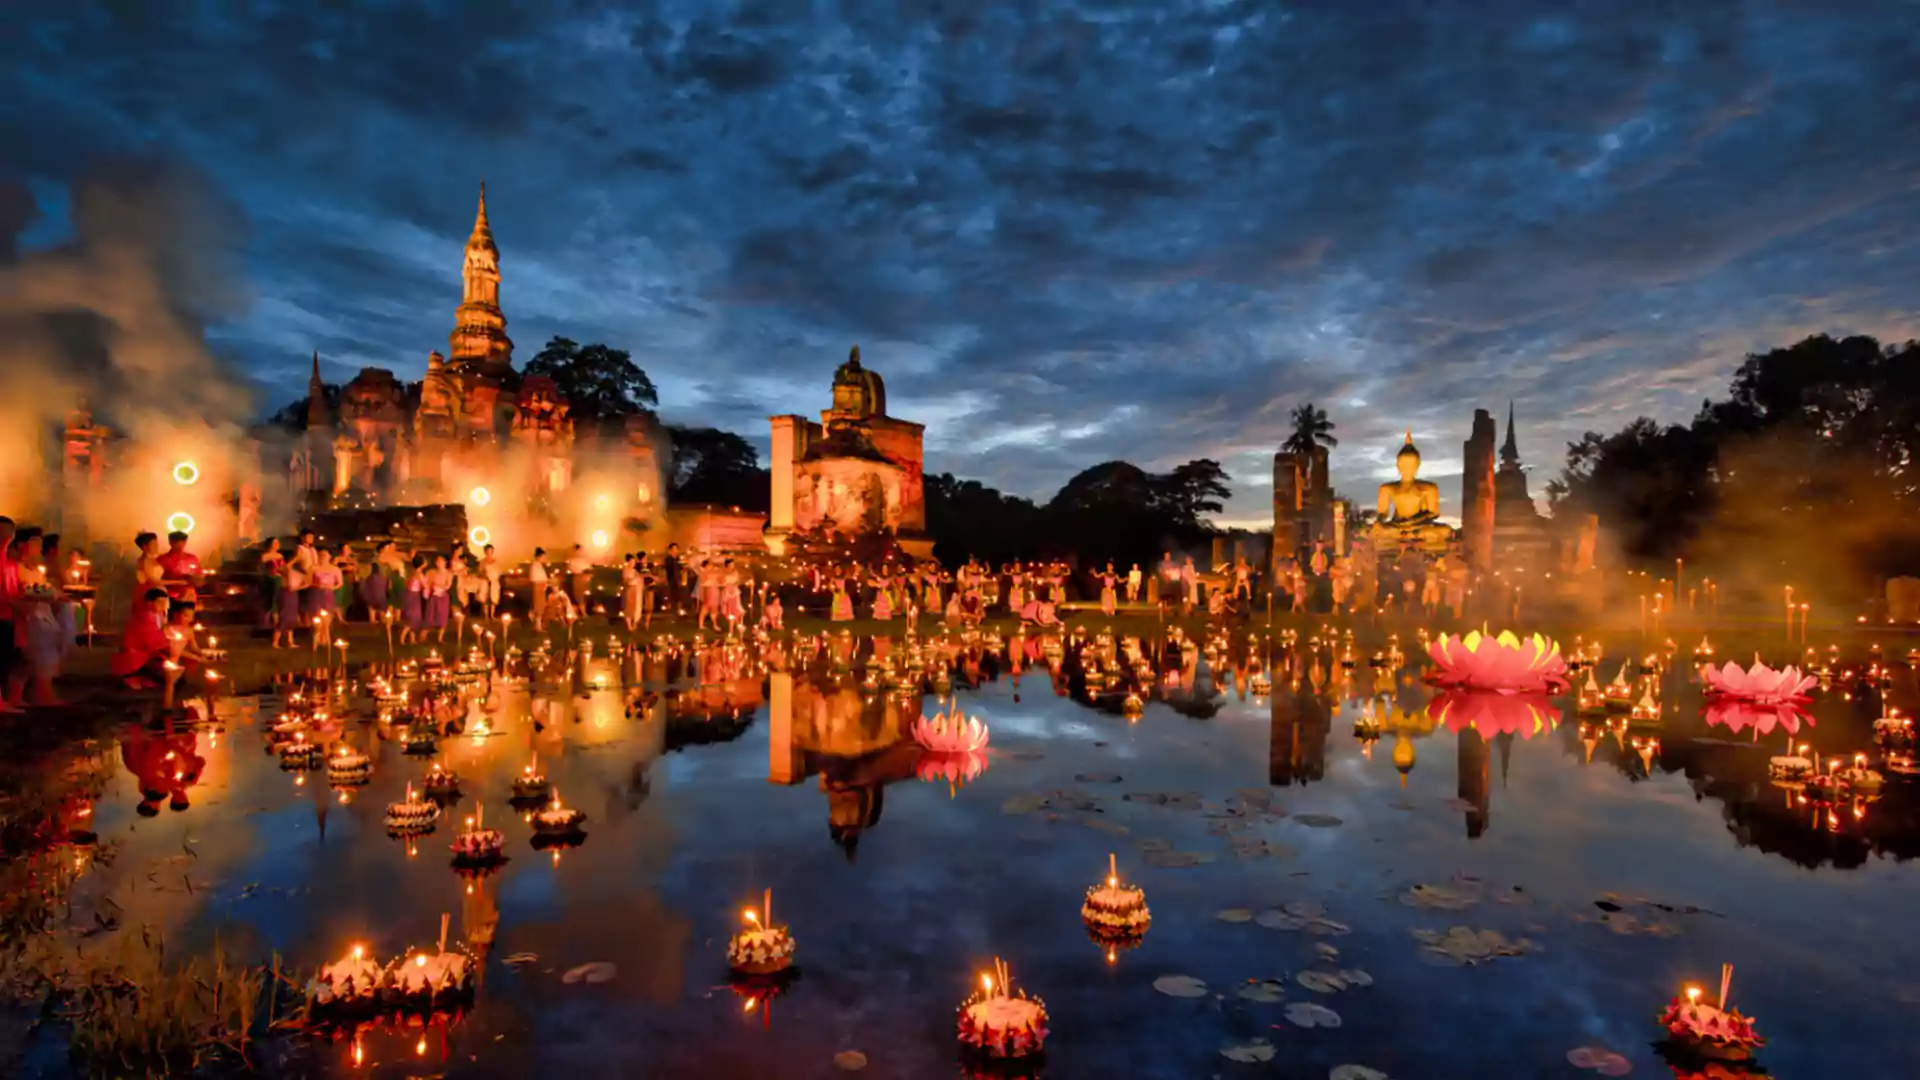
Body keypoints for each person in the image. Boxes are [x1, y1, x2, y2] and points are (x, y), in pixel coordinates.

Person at [110, 588, 176, 688]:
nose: (163, 606)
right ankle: (134, 677)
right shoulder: (143, 618)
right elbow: (153, 642)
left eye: (165, 602)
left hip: (148, 653)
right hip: (136, 658)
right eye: (160, 602)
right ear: (149, 603)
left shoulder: (157, 616)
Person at [400, 555, 427, 645]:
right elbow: (425, 585)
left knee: (414, 618)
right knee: (413, 618)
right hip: (413, 596)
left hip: (409, 595)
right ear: (422, 564)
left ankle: (412, 639)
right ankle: (402, 638)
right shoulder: (419, 574)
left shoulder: (412, 572)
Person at [527, 547, 550, 629]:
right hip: (538, 587)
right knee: (538, 606)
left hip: (541, 586)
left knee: (542, 605)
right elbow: (534, 577)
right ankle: (537, 625)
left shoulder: (539, 565)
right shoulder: (535, 565)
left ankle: (539, 624)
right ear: (539, 556)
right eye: (543, 556)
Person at [566, 545, 592, 610]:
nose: (580, 552)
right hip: (578, 577)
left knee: (586, 596)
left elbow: (589, 568)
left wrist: (588, 575)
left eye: (581, 551)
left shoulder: (585, 560)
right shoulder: (571, 560)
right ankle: (583, 612)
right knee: (579, 596)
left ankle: (587, 610)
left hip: (587, 578)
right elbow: (571, 569)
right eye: (578, 551)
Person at [480, 544, 503, 619]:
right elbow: (480, 572)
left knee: (493, 598)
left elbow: (499, 571)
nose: (489, 552)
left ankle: (492, 615)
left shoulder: (496, 561)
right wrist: (485, 577)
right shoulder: (483, 562)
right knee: (485, 598)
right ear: (485, 552)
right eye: (488, 551)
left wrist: (496, 579)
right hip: (485, 581)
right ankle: (486, 615)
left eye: (491, 551)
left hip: (494, 582)